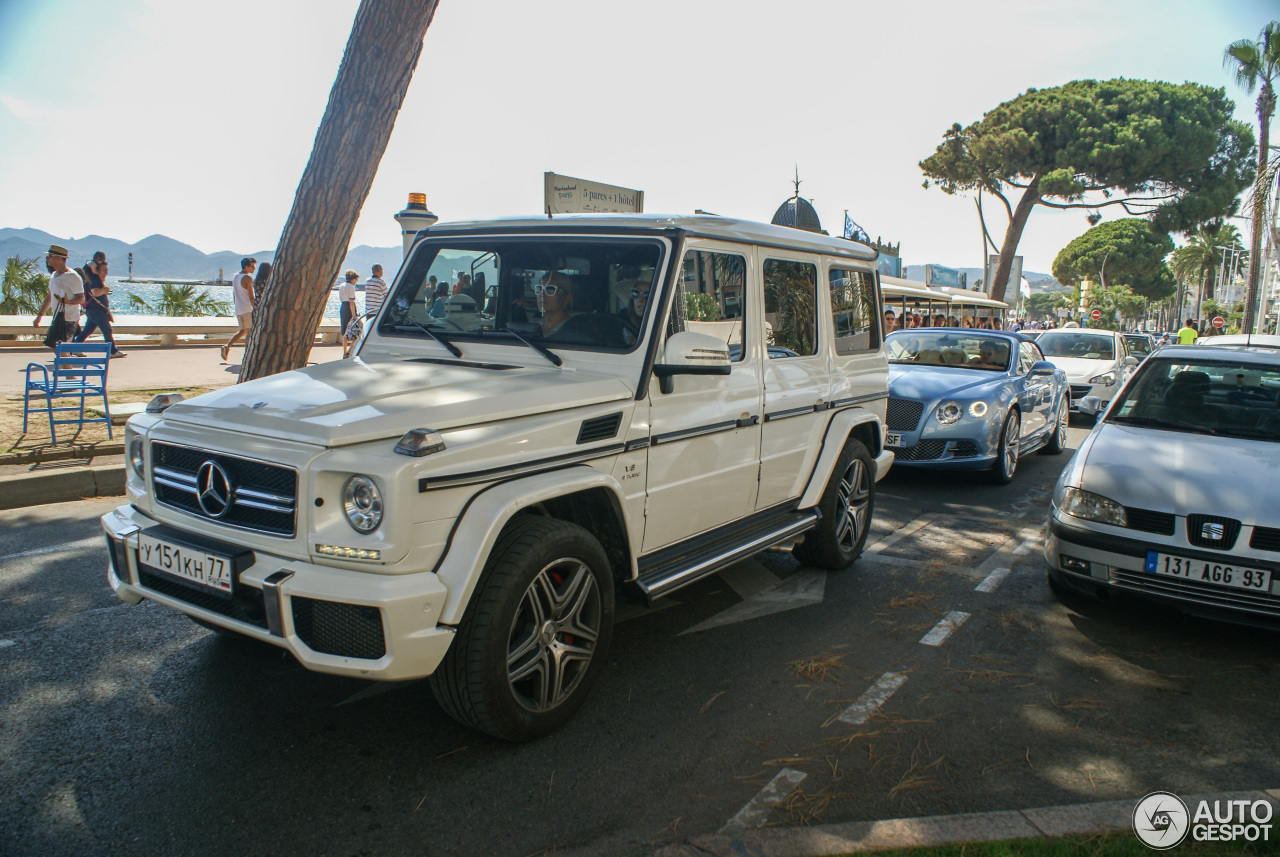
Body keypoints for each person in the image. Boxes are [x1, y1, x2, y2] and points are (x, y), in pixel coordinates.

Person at [74, 257, 126, 357]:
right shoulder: (94, 280)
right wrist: (104, 290)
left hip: (93, 310)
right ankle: (112, 351)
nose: (106, 272)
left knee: (88, 330)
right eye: (104, 270)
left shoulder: (96, 280)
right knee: (107, 330)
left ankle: (74, 348)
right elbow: (95, 292)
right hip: (96, 310)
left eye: (107, 270)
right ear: (96, 270)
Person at [32, 244, 85, 342]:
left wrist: (67, 301)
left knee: (61, 347)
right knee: (51, 344)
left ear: (58, 258)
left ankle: (65, 357)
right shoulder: (54, 275)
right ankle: (65, 357)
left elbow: (81, 298)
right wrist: (40, 316)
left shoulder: (72, 276)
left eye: (49, 256)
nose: (47, 258)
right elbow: (49, 296)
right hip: (57, 317)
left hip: (69, 318)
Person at [221, 257, 255, 361]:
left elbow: (234, 293)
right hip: (246, 308)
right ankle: (247, 356)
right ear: (246, 267)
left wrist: (236, 305)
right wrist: (255, 308)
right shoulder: (248, 278)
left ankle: (227, 347)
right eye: (252, 267)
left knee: (242, 331)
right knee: (249, 332)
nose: (254, 269)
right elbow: (251, 296)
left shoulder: (235, 276)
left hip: (238, 308)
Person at [537, 272, 574, 336]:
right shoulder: (533, 324)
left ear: (566, 298)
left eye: (550, 290)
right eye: (539, 288)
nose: (542, 294)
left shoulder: (573, 331)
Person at [616, 273, 650, 343]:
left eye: (647, 294)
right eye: (636, 293)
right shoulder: (622, 319)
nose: (640, 299)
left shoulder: (661, 327)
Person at [339, 269, 359, 357]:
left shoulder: (341, 285)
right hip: (349, 307)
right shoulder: (351, 287)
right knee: (356, 330)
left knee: (344, 330)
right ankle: (350, 350)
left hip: (343, 306)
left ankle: (344, 351)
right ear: (353, 279)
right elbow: (351, 302)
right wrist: (354, 315)